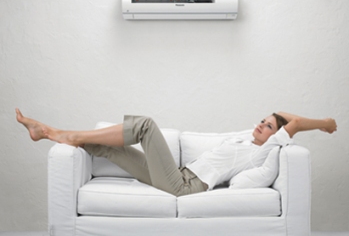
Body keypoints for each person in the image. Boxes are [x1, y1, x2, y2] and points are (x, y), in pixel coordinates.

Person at [15, 108, 337, 197]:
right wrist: (267, 122)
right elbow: (278, 115)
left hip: (185, 187)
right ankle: (48, 134)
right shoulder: (244, 139)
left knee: (144, 125)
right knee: (102, 148)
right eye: (262, 121)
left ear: (276, 136)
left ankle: (63, 132)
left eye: (267, 127)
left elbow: (290, 120)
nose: (260, 126)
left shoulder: (265, 152)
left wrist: (324, 123)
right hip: (176, 177)